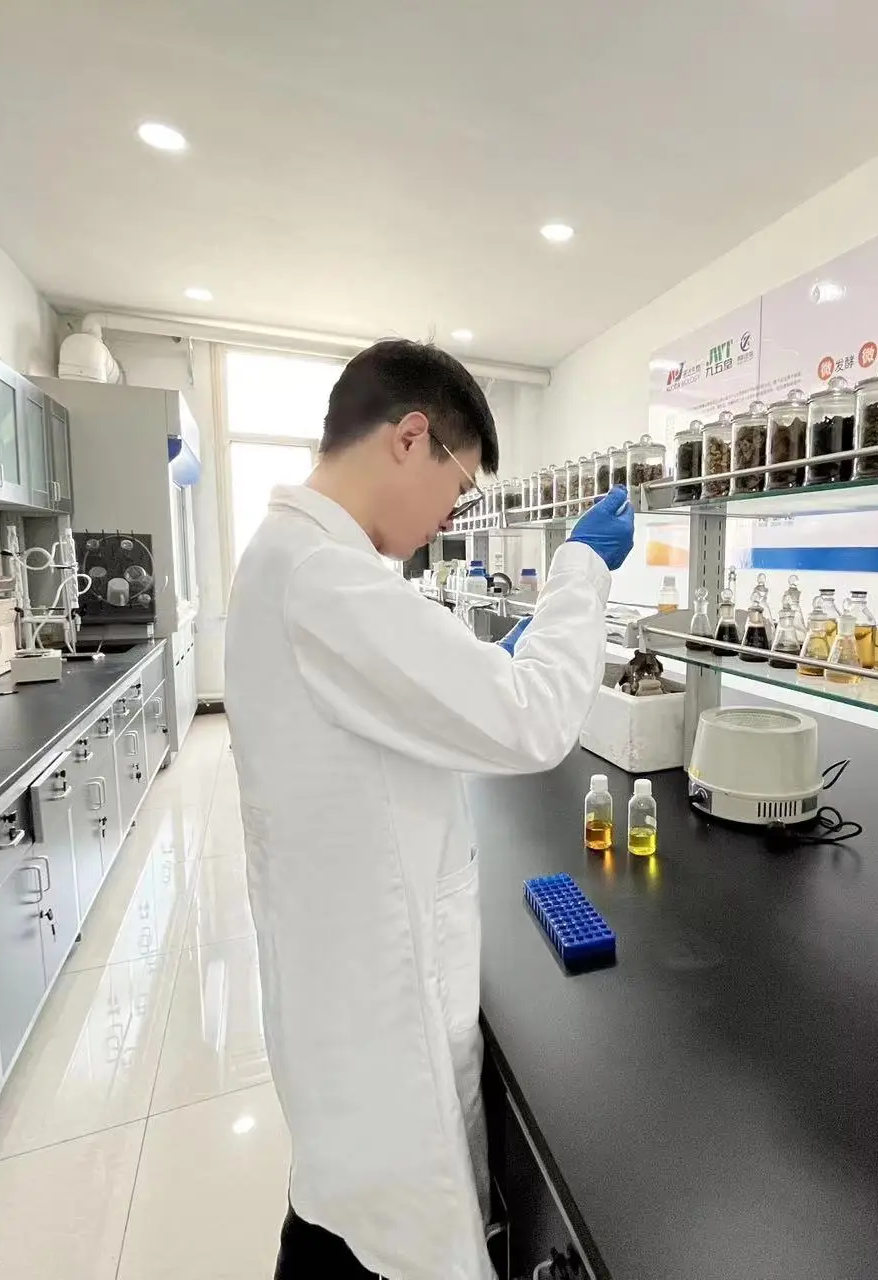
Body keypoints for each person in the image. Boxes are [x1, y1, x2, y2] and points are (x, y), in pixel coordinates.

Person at [224, 339, 635, 1279]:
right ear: (412, 438)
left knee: (340, 1210)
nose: (451, 516)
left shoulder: (292, 557)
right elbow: (532, 723)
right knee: (376, 1228)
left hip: (338, 973)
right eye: (458, 488)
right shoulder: (325, 577)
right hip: (374, 995)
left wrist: (497, 659)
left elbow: (414, 694)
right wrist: (578, 572)